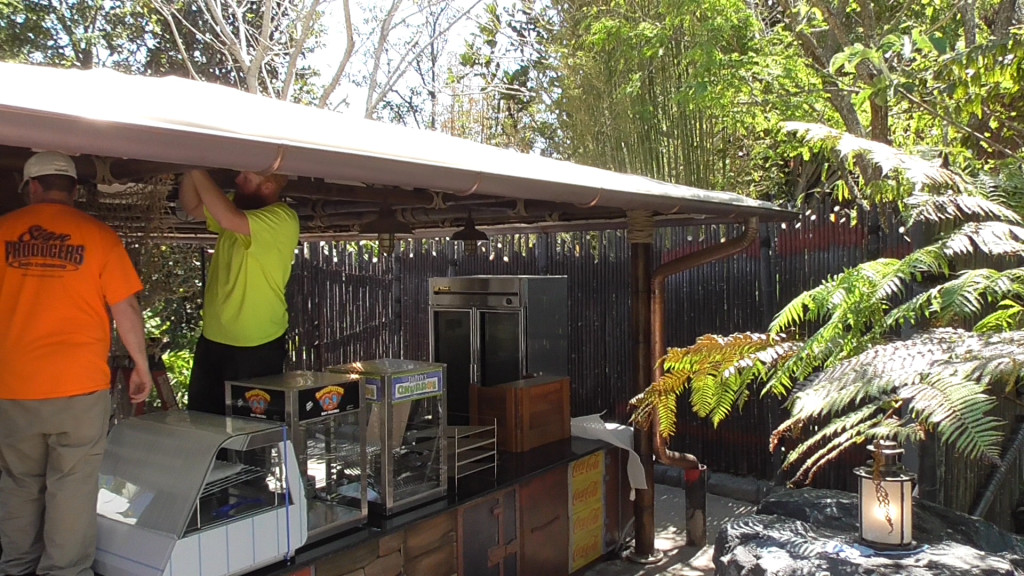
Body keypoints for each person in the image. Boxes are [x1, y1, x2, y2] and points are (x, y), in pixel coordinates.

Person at [0, 151, 154, 576]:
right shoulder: (100, 237)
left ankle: (15, 568)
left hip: (12, 387)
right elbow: (126, 308)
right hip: (79, 388)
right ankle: (64, 572)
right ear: (73, 190)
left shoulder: (2, 232)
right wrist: (140, 364)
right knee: (72, 487)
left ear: (32, 186)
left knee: (18, 484)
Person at [178, 168, 299, 415]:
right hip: (214, 339)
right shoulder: (239, 210)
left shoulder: (281, 218)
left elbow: (227, 219)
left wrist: (197, 167)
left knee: (251, 430)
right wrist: (190, 172)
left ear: (267, 186)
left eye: (246, 177)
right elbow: (192, 207)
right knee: (203, 421)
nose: (236, 180)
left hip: (255, 343)